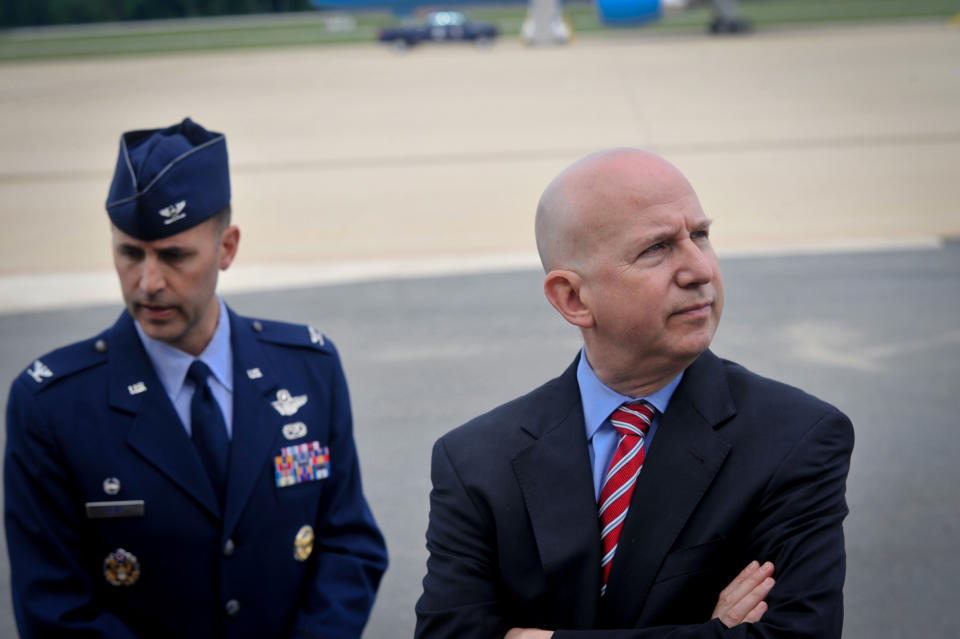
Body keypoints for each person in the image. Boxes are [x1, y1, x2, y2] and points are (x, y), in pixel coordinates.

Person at [414, 148, 853, 638]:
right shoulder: (475, 461)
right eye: (656, 249)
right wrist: (712, 632)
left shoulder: (796, 439)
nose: (699, 270)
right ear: (573, 298)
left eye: (701, 235)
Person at [4, 118, 388, 638]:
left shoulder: (307, 369)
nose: (149, 282)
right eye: (129, 253)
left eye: (174, 255)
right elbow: (54, 606)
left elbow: (348, 545)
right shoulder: (52, 404)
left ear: (227, 248)